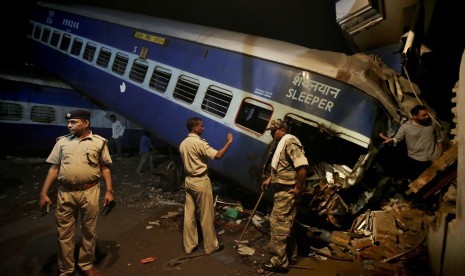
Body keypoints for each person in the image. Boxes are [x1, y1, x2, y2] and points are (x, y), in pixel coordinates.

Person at [38, 109, 114, 276]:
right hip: (65, 193)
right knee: (64, 234)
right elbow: (54, 169)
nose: (69, 126)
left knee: (89, 231)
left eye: (74, 122)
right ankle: (66, 269)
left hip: (90, 191)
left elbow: (105, 168)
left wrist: (109, 191)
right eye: (68, 123)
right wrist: (44, 193)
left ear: (86, 123)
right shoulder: (62, 142)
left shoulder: (99, 143)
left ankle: (86, 264)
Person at [261, 119, 309, 274]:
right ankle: (291, 256)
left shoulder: (290, 142)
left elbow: (302, 167)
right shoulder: (282, 143)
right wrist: (270, 178)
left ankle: (279, 262)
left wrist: (298, 188)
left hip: (287, 192)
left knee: (277, 225)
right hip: (282, 190)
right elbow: (284, 166)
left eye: (273, 130)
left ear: (282, 129)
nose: (271, 133)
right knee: (287, 225)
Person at [179, 117, 233, 255]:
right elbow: (218, 155)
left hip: (188, 181)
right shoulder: (199, 143)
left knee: (189, 215)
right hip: (200, 181)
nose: (203, 128)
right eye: (201, 126)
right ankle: (210, 247)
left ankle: (189, 246)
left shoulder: (183, 143)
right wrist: (229, 142)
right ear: (195, 128)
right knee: (206, 215)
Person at [379, 104, 445, 180]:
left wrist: (440, 153)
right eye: (423, 115)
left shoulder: (431, 124)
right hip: (418, 161)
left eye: (427, 114)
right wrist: (391, 140)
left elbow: (439, 139)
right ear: (414, 116)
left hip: (436, 157)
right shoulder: (405, 127)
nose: (427, 117)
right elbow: (397, 138)